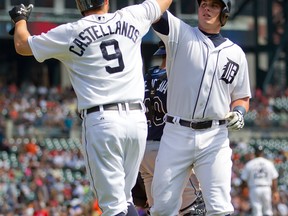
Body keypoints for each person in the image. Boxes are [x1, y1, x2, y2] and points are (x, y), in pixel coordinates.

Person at [8, 0, 172, 215]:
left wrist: (20, 18)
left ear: (79, 4)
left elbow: (22, 45)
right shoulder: (130, 16)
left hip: (103, 121)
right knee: (125, 199)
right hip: (136, 120)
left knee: (113, 207)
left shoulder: (70, 32)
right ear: (106, 1)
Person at [149, 0, 252, 215]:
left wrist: (240, 112)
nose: (206, 8)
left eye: (214, 5)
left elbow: (242, 97)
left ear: (224, 13)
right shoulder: (180, 33)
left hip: (215, 136)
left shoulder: (236, 54)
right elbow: (154, 10)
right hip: (177, 133)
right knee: (162, 208)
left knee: (220, 208)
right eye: (203, 3)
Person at [138, 41, 206, 216]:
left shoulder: (145, 76)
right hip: (168, 150)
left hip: (144, 150)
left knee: (158, 211)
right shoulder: (177, 79)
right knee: (194, 208)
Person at [240, 145, 279, 216]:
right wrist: (275, 191)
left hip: (254, 188)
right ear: (263, 152)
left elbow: (243, 179)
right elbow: (274, 178)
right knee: (268, 210)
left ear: (255, 153)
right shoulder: (269, 163)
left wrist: (244, 190)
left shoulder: (250, 164)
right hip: (266, 188)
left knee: (257, 211)